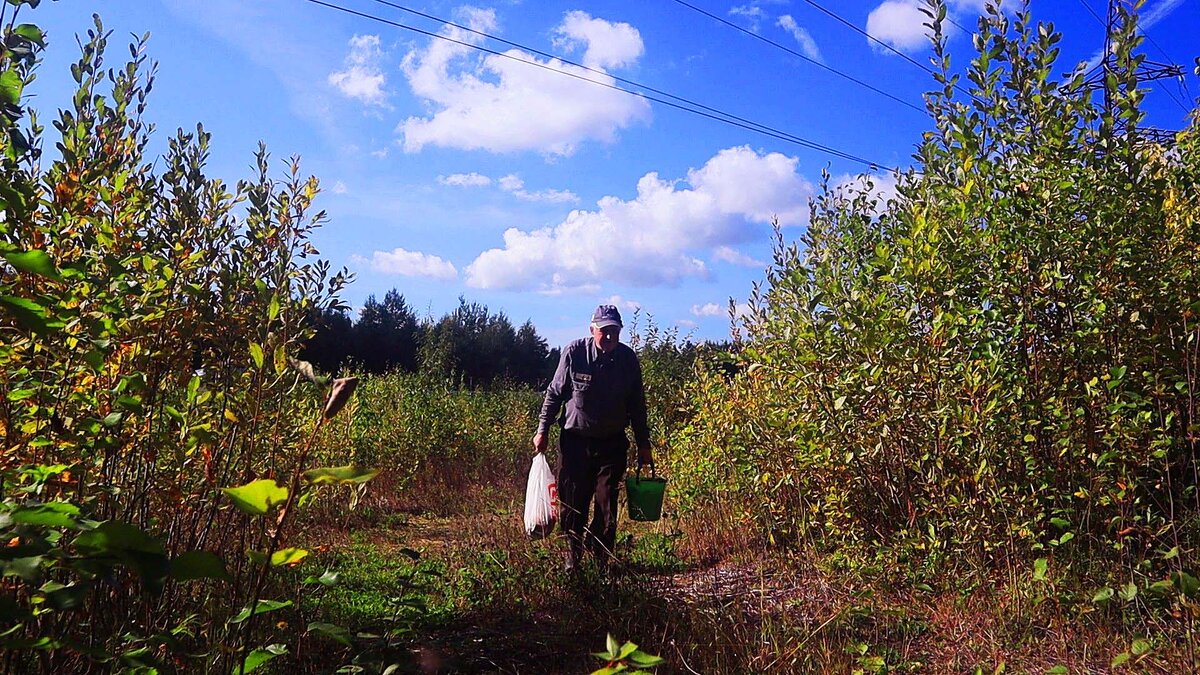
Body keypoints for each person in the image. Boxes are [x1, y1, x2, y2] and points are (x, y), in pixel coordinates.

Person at [533, 304, 653, 571]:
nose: (609, 336)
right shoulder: (574, 353)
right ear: (592, 330)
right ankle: (572, 557)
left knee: (607, 504)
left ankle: (600, 560)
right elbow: (554, 394)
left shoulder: (627, 360)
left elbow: (637, 406)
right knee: (573, 503)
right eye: (604, 331)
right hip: (575, 443)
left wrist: (644, 444)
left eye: (614, 331)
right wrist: (542, 430)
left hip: (611, 445)